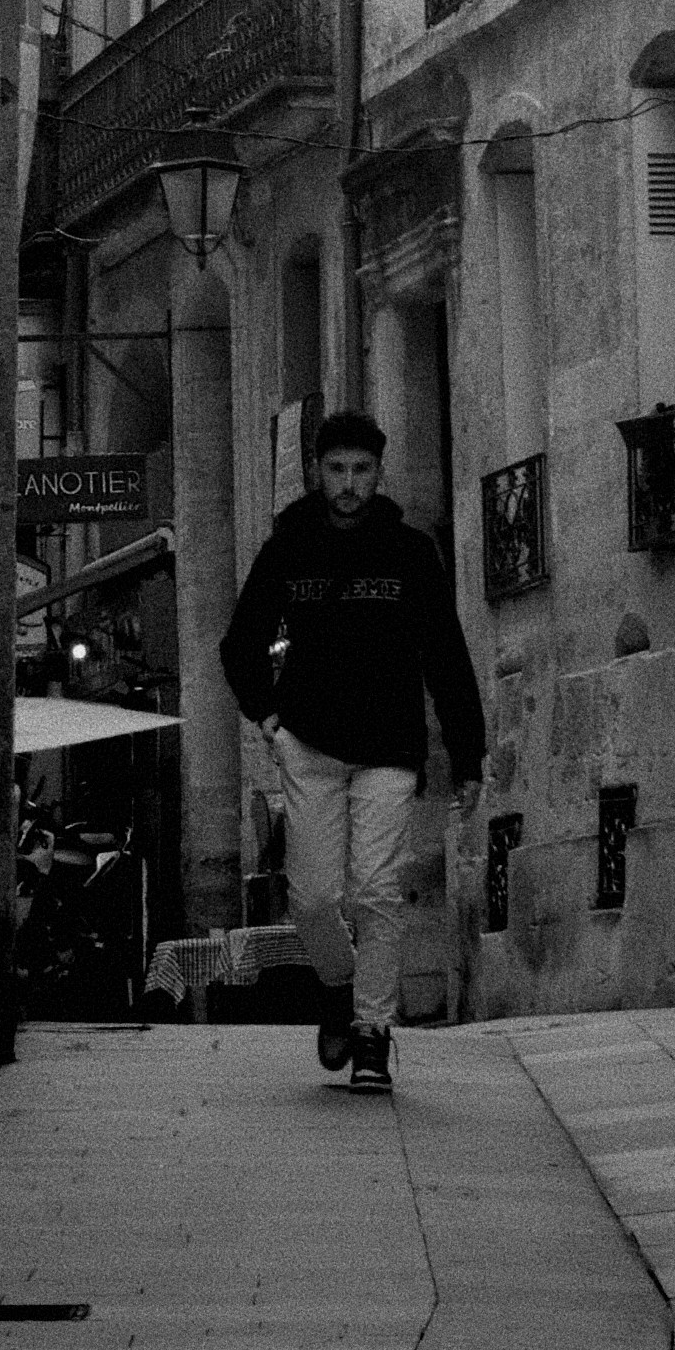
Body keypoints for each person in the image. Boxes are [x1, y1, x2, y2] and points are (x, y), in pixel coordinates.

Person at [219, 409, 486, 1091]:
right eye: (336, 469)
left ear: (378, 473)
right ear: (317, 471)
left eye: (361, 470)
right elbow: (241, 640)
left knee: (377, 891)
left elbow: (446, 654)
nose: (348, 483)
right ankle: (337, 984)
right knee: (311, 897)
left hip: (388, 747)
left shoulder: (408, 552)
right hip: (309, 743)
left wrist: (468, 754)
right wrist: (267, 714)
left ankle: (372, 1031)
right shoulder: (288, 548)